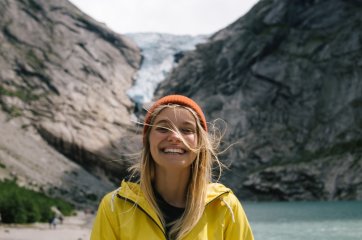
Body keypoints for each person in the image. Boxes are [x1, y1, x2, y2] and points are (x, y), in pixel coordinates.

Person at [91, 95, 254, 240]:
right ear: (147, 141)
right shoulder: (114, 207)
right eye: (163, 128)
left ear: (200, 143)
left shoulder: (225, 207)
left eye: (186, 130)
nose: (175, 136)